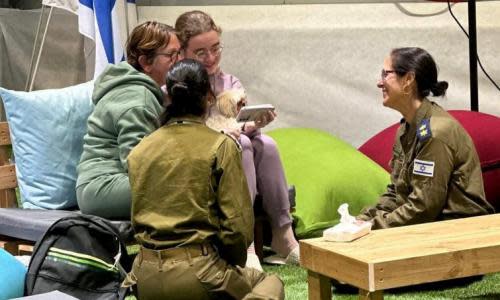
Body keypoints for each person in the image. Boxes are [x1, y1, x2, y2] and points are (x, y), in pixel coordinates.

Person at [124, 59, 285, 300]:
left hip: (144, 279)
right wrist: (227, 262)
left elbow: (138, 216)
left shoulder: (140, 151)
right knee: (269, 283)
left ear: (170, 96)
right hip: (199, 274)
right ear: (209, 97)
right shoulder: (220, 146)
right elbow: (237, 227)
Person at [175, 10, 299, 268]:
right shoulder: (178, 85)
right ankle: (245, 241)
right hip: (197, 158)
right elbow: (179, 131)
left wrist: (254, 124)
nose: (211, 58)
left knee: (267, 144)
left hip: (233, 146)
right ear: (183, 52)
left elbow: (236, 124)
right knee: (240, 145)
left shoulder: (229, 81)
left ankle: (283, 234)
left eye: (215, 48)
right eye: (200, 53)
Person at [357, 47, 494, 229]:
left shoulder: (436, 132)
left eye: (385, 74)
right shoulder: (407, 129)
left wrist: (373, 226)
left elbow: (424, 207)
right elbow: (397, 191)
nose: (379, 83)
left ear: (408, 80)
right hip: (430, 227)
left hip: (459, 233)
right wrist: (363, 219)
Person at [76, 21, 180, 219]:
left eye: (179, 53)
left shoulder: (140, 90)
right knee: (188, 186)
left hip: (108, 185)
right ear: (145, 62)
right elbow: (138, 163)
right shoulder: (138, 99)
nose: (178, 61)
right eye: (170, 55)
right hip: (104, 187)